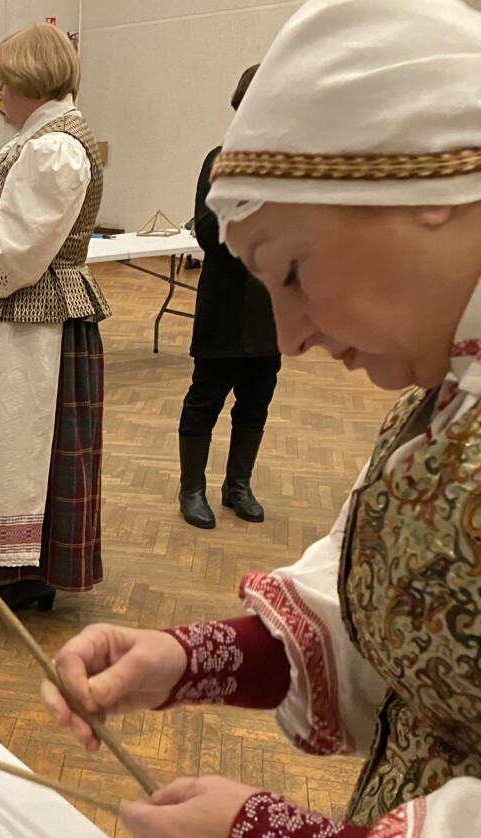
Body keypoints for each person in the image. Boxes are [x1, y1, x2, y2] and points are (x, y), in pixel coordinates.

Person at [41, 1, 481, 838]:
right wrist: (186, 660)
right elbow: (422, 607)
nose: (289, 333)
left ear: (422, 188)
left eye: (289, 270)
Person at [0, 22, 110, 614]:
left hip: (33, 328)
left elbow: (20, 254)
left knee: (24, 441)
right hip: (19, 322)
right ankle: (16, 570)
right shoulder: (37, 142)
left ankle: (28, 572)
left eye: (4, 82)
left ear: (30, 81)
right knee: (10, 441)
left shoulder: (54, 148)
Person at [176, 64, 280, 529]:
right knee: (206, 398)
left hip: (271, 310)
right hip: (225, 304)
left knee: (257, 399)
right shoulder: (218, 161)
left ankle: (238, 485)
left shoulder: (290, 168)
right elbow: (206, 232)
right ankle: (191, 489)